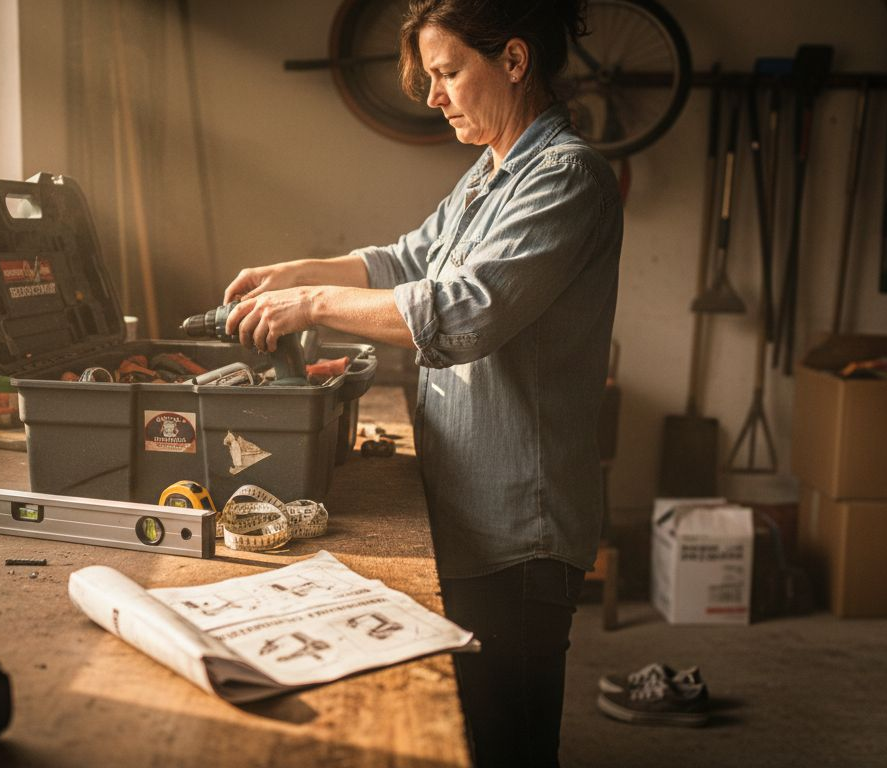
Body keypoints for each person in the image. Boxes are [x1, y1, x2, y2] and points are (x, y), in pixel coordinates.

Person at [223, 1, 620, 765]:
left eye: (447, 72)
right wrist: (297, 270)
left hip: (518, 530)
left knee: (508, 739)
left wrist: (308, 305)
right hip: (470, 507)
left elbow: (463, 313)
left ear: (512, 60)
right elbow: (410, 260)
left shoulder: (567, 177)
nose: (434, 96)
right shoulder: (494, 172)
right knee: (467, 724)